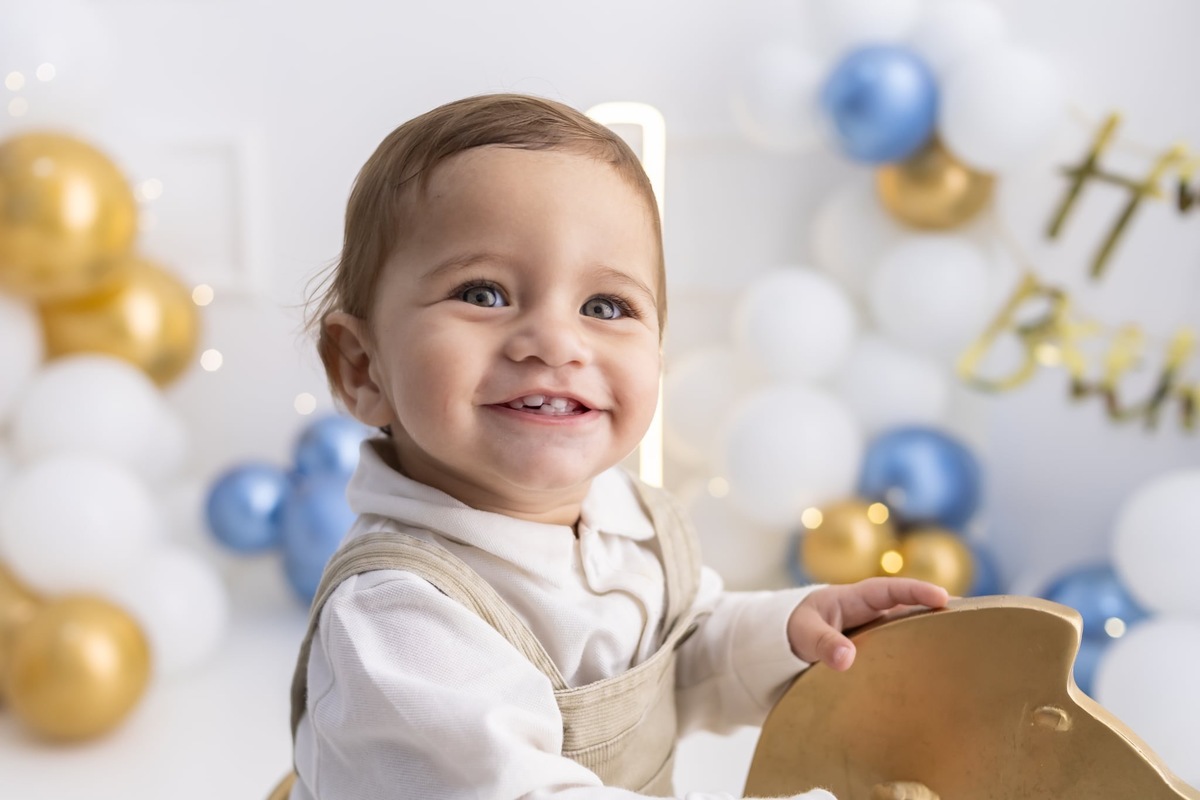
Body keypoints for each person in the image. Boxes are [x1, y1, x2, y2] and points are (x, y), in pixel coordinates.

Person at [289, 92, 949, 800]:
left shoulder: (627, 518)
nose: (556, 342)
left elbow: (685, 650)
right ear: (363, 368)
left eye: (606, 307)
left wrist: (789, 631)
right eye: (482, 293)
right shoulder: (397, 618)